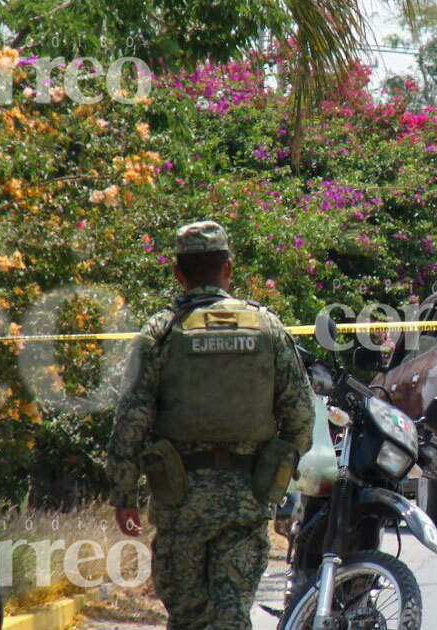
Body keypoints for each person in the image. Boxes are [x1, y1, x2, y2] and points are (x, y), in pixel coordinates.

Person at [106, 220, 314, 630]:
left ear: (178, 273)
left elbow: (131, 419)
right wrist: (276, 478)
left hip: (179, 499)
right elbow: (301, 418)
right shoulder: (267, 327)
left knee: (186, 618)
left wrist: (123, 493)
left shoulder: (161, 333)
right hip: (247, 498)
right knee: (232, 615)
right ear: (228, 269)